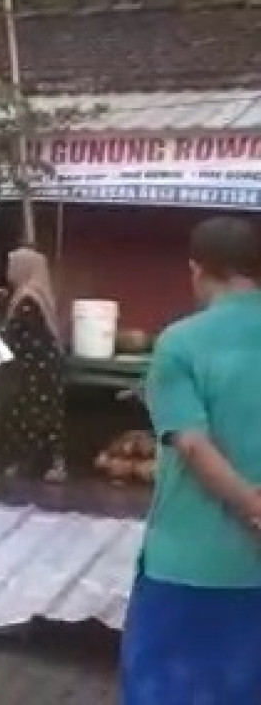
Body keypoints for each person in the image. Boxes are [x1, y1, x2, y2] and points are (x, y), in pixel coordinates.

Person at [120, 217, 261, 704]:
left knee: (166, 689)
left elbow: (194, 446)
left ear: (197, 271)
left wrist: (252, 506)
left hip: (190, 560)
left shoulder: (180, 342)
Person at [0, 248, 67, 483]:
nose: (9, 272)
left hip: (36, 369)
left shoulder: (28, 299)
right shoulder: (33, 293)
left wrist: (1, 333)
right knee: (44, 416)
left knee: (31, 416)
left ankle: (30, 464)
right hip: (41, 367)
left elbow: (22, 335)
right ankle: (47, 463)